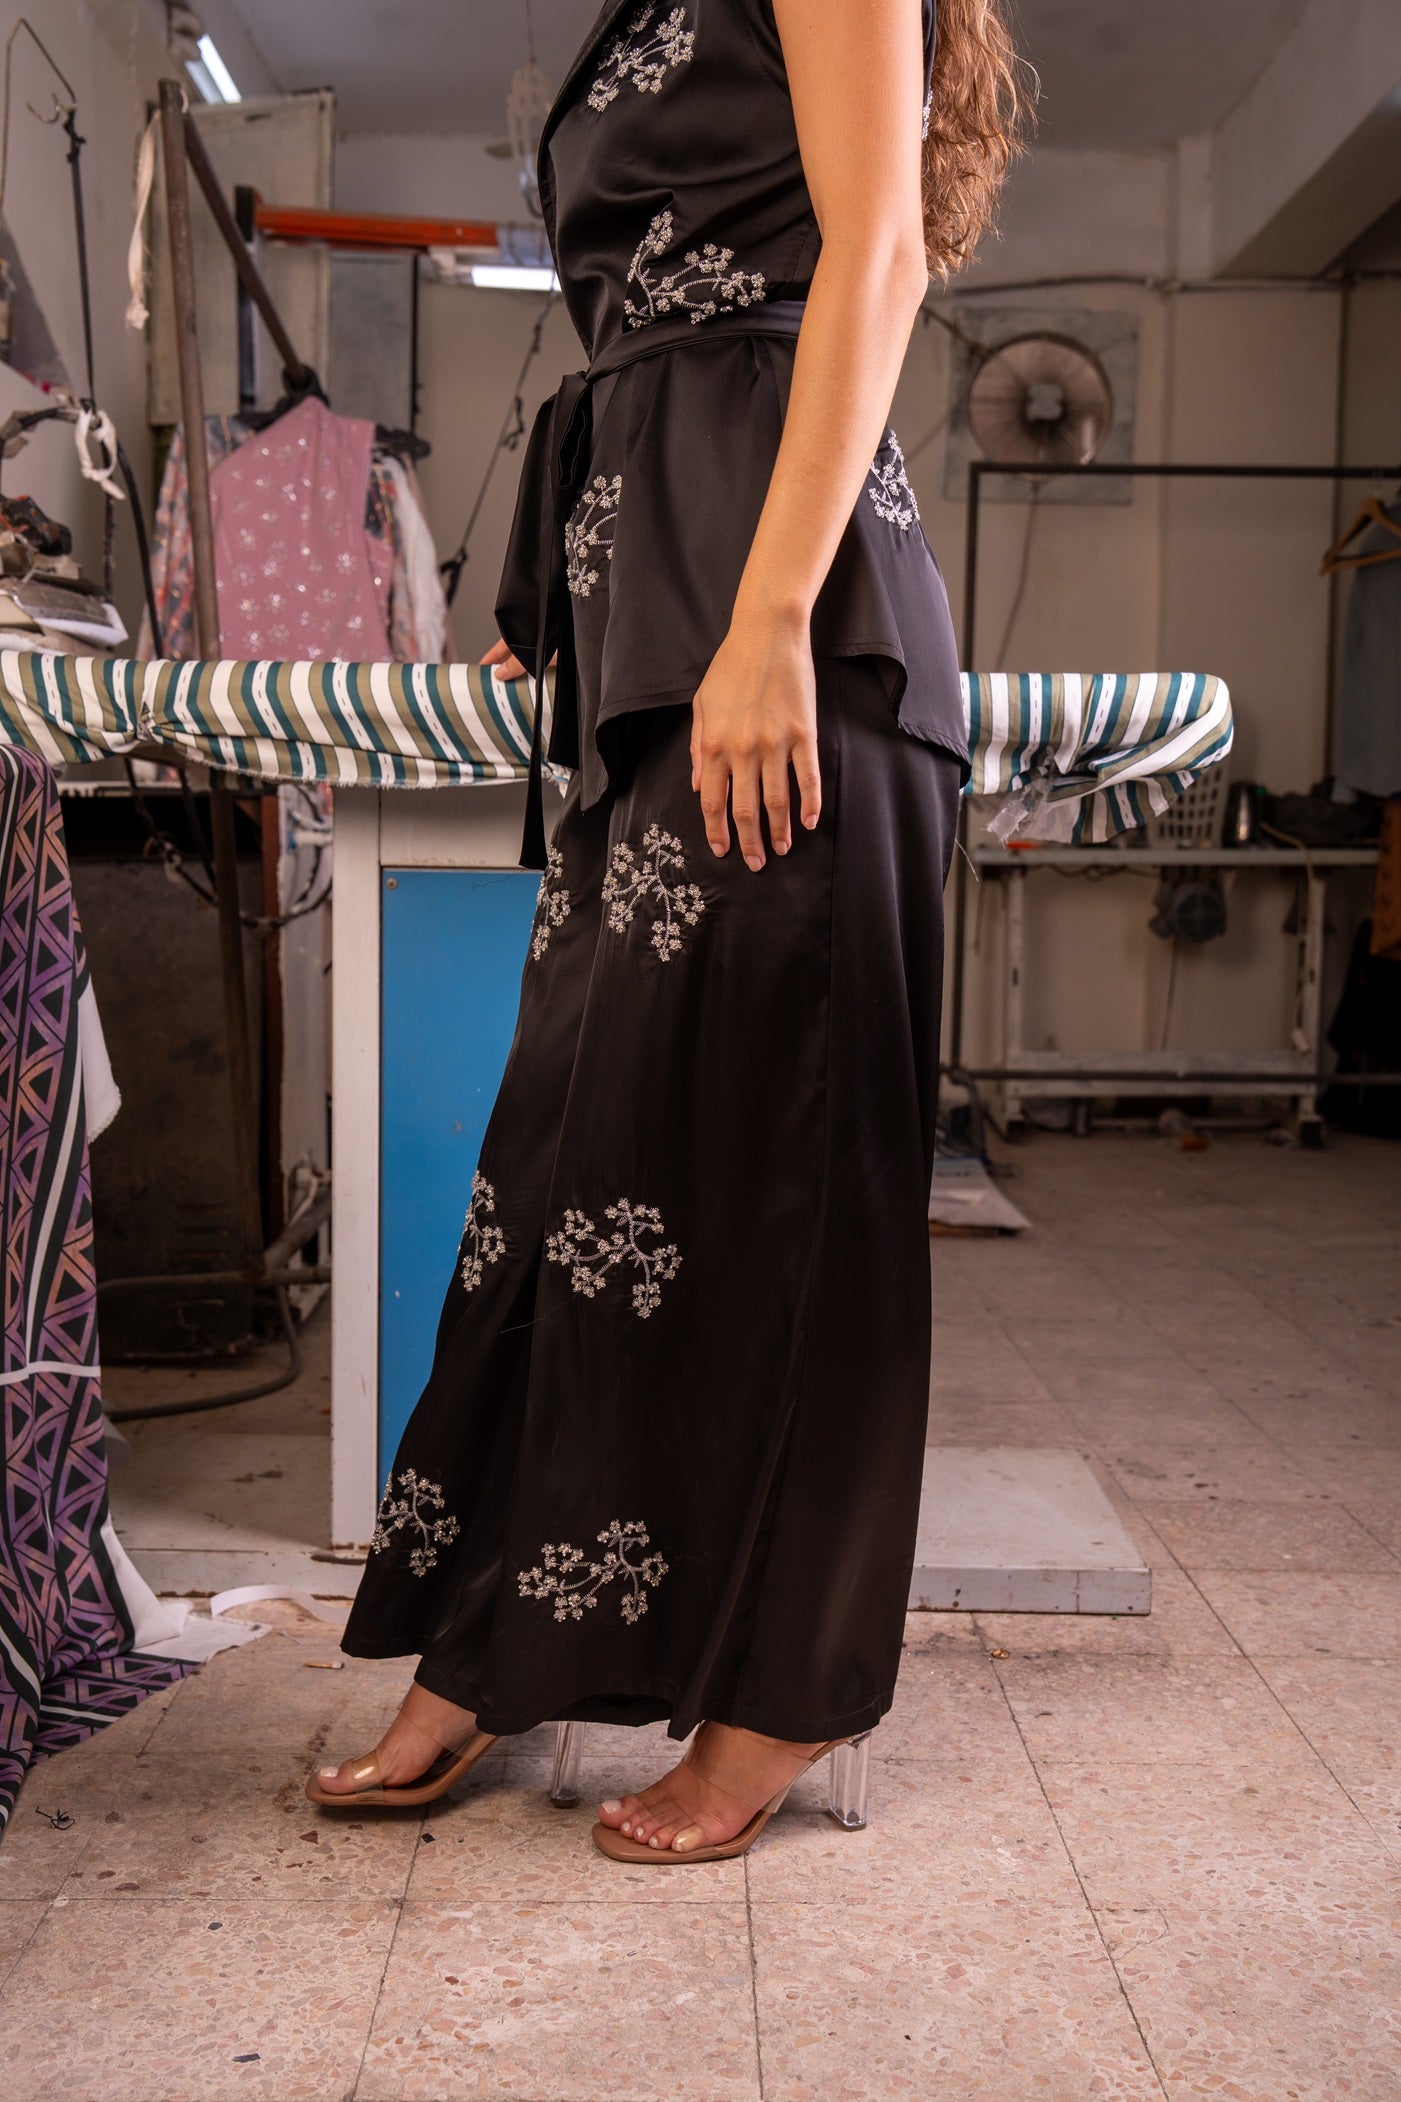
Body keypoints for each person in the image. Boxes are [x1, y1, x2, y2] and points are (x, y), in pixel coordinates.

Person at [310, 0, 1025, 1862]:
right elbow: (659, 331)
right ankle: (493, 1636)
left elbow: (868, 254)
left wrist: (774, 611)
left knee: (791, 1179)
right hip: (666, 630)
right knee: (570, 1160)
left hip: (780, 631)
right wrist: (574, 579)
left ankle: (777, 1690)